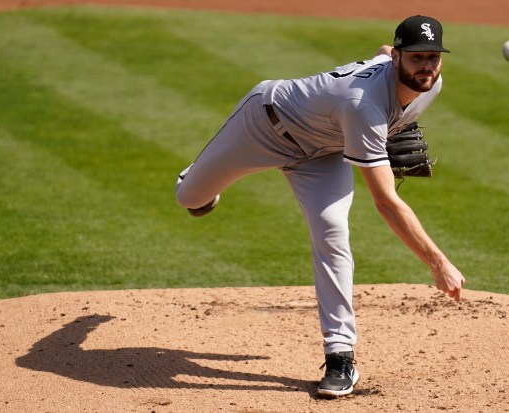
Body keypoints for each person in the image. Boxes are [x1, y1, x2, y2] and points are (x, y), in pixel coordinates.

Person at [175, 15, 466, 397]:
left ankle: (340, 356)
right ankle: (201, 184)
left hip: (323, 154)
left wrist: (386, 126)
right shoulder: (361, 106)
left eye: (433, 56)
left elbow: (380, 52)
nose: (426, 66)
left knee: (333, 234)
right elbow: (385, 203)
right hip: (265, 124)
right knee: (190, 198)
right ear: (399, 58)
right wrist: (438, 263)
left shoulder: (430, 84)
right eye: (416, 58)